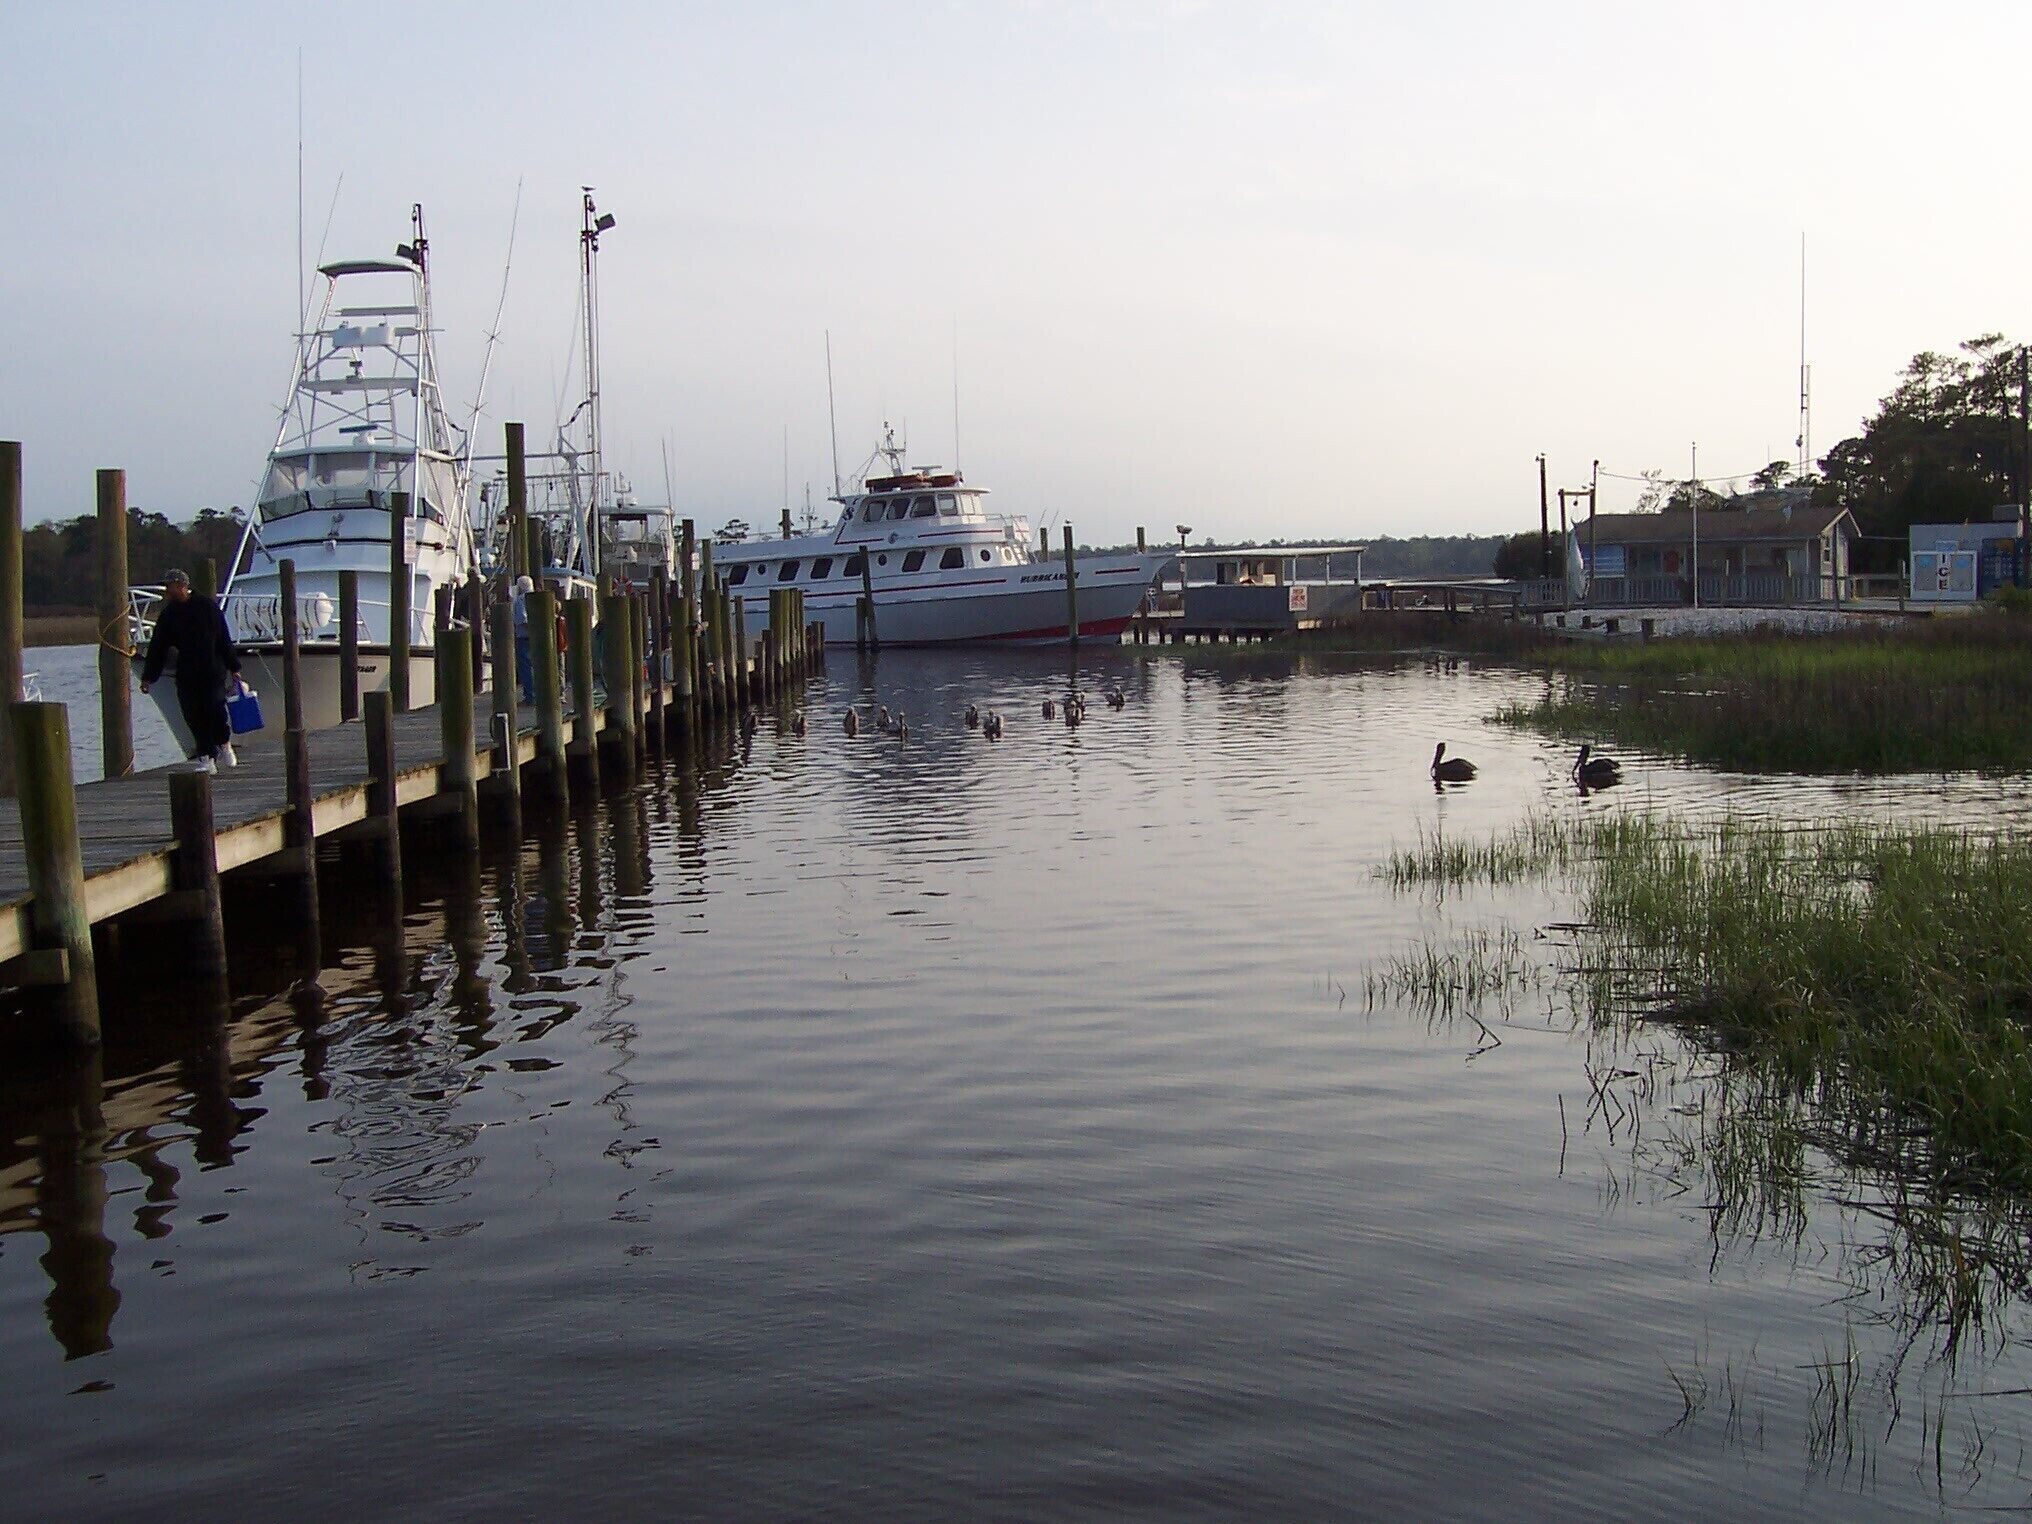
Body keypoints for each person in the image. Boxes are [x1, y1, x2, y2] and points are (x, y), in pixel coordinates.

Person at [139, 569, 241, 771]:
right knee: (193, 715)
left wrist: (234, 667)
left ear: (181, 585)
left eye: (170, 586)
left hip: (212, 669)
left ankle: (223, 742)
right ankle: (206, 757)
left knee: (215, 709)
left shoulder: (207, 608)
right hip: (187, 672)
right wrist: (148, 677)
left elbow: (223, 639)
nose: (167, 590)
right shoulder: (169, 614)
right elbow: (158, 647)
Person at [511, 574, 535, 701]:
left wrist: (530, 631)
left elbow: (522, 619)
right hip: (538, 638)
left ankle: (530, 696)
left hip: (524, 637)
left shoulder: (520, 600)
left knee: (526, 667)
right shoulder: (537, 598)